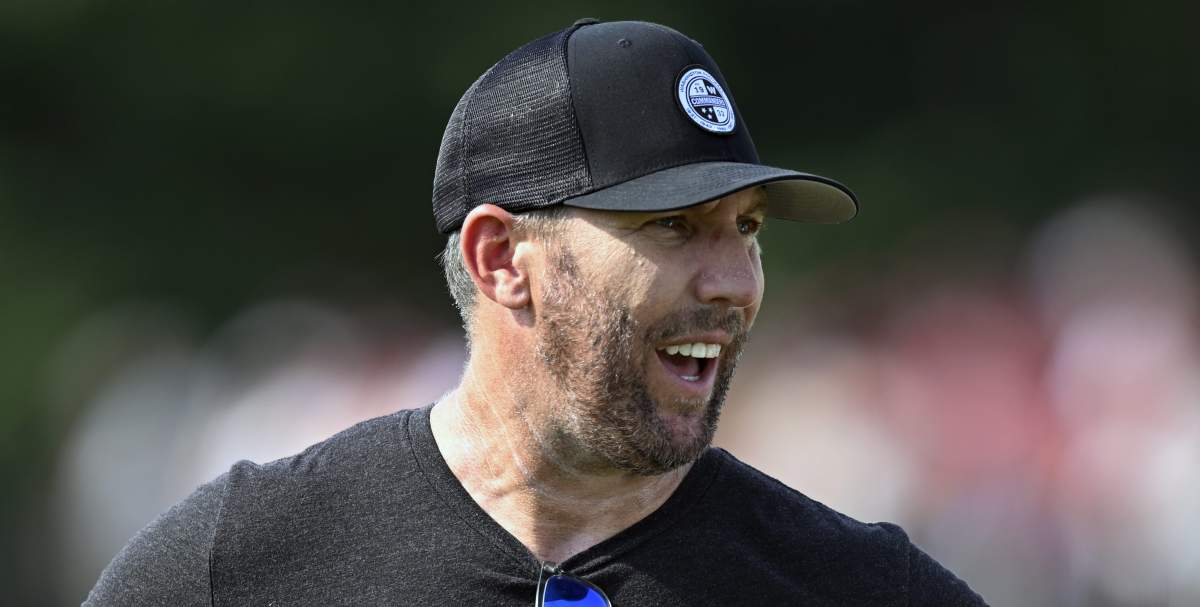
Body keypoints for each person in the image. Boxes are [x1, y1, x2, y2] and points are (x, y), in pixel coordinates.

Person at [86, 19, 987, 605]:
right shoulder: (245, 562)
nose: (733, 282)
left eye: (745, 229)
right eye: (673, 225)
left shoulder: (854, 585)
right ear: (500, 259)